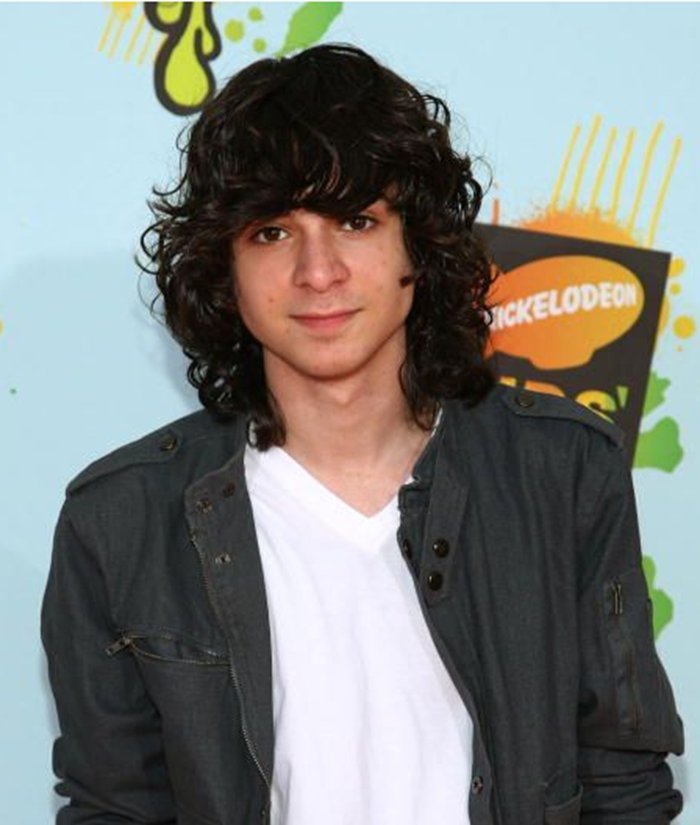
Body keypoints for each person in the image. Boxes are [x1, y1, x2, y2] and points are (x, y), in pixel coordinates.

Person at [41, 44, 683, 825]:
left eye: (355, 220)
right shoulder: (120, 522)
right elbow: (115, 806)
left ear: (418, 244)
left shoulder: (563, 469)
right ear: (224, 267)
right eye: (272, 232)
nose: (319, 272)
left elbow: (622, 784)